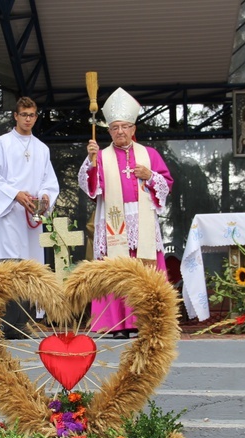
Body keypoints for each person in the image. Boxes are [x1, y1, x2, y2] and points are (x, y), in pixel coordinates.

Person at [79, 87, 173, 339]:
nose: (120, 132)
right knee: (115, 269)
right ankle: (116, 324)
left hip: (141, 220)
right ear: (109, 131)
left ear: (133, 129)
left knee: (144, 268)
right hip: (114, 221)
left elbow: (166, 184)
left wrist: (149, 175)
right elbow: (91, 187)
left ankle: (146, 321)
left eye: (125, 127)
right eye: (115, 128)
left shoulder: (149, 154)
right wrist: (91, 162)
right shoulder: (101, 155)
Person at [0, 96, 59, 338]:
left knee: (30, 267)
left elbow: (49, 181)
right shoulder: (2, 144)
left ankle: (23, 322)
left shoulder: (42, 148)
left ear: (36, 117)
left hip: (31, 219)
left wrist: (45, 198)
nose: (28, 119)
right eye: (24, 114)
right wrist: (16, 195)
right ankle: (5, 322)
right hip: (9, 216)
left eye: (32, 115)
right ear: (15, 116)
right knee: (9, 266)